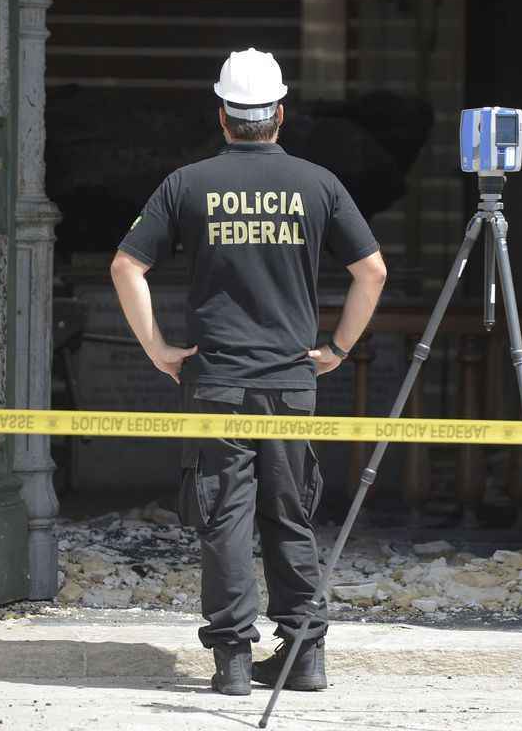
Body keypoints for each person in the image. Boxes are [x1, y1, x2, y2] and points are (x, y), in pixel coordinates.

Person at [109, 48, 387, 696]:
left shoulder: (188, 183)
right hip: (291, 383)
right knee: (289, 514)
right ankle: (304, 655)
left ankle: (233, 660)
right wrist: (338, 348)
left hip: (218, 383)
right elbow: (371, 271)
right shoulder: (319, 184)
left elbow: (127, 265)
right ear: (280, 114)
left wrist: (157, 348)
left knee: (225, 515)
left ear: (224, 115)